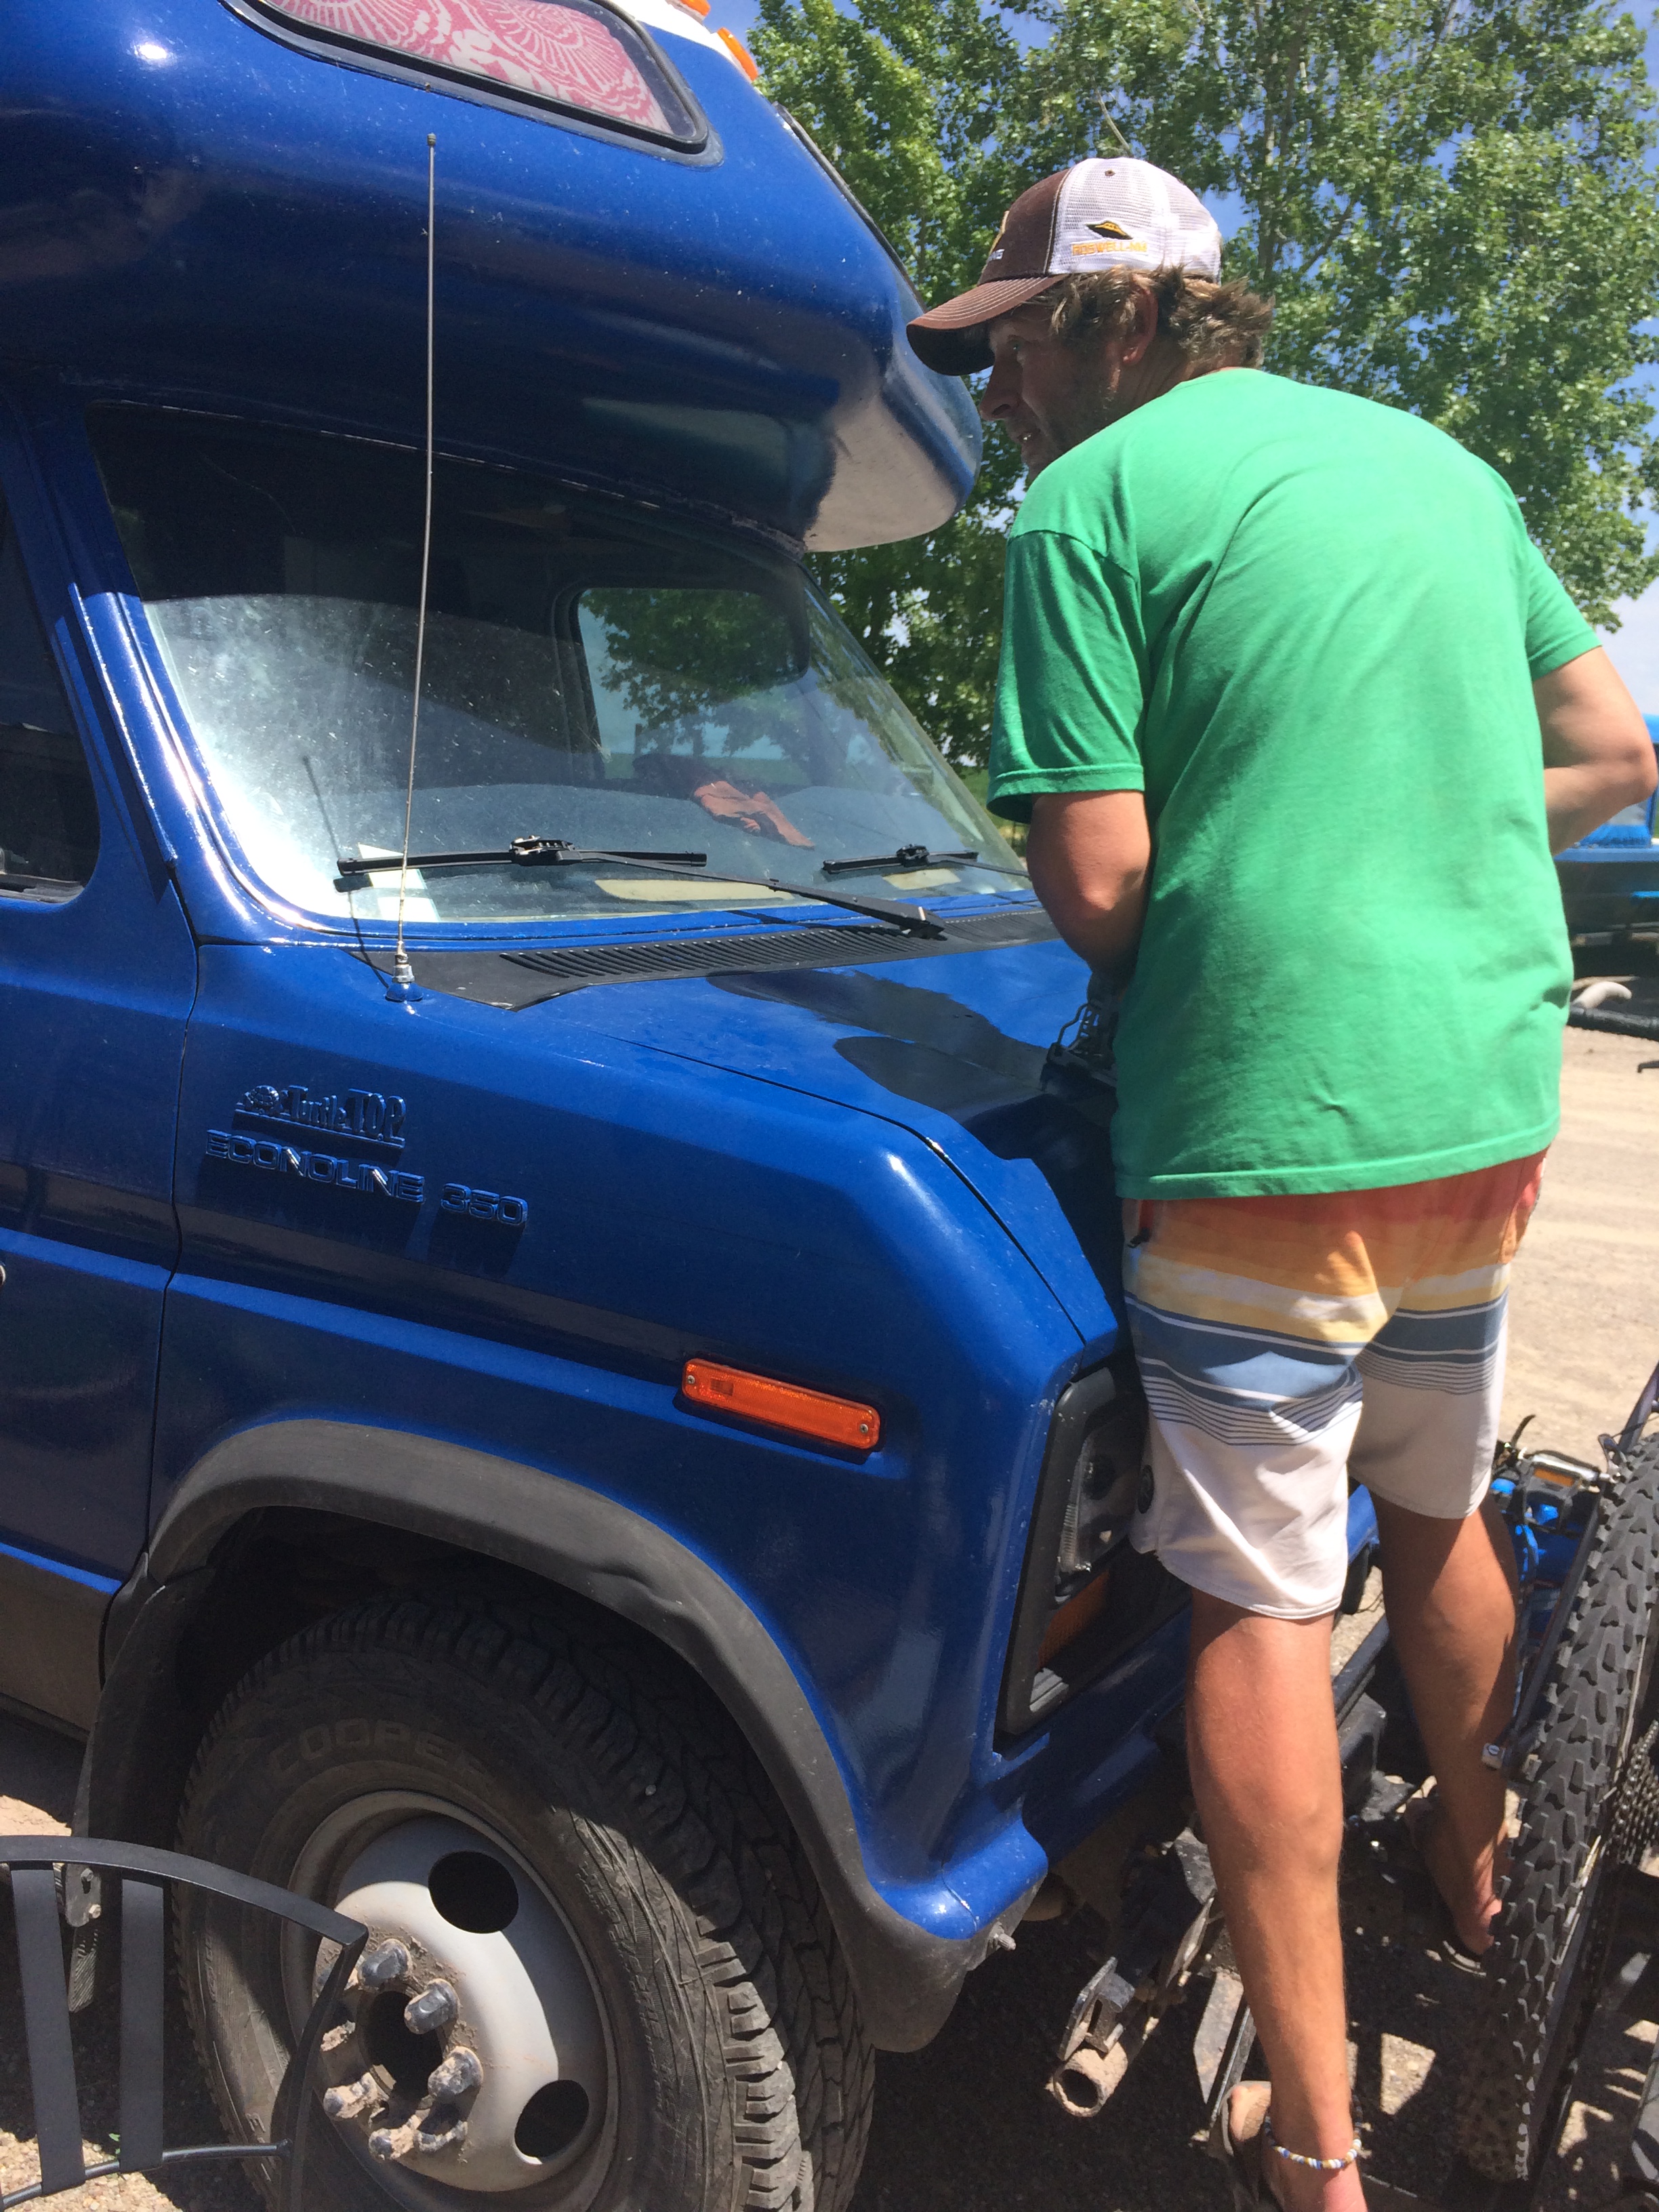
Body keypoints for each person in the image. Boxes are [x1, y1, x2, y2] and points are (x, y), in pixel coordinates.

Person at [907, 157, 1657, 2209]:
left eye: (1018, 345)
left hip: (1270, 1123)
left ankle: (1316, 2152)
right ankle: (1488, 1887)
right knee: (1436, 1493)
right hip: (1480, 1101)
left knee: (1255, 1594)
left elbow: (1100, 888)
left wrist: (1267, 864)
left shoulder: (1089, 506)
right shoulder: (1438, 469)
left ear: (1128, 317)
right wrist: (1410, 836)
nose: (1002, 396)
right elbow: (1612, 753)